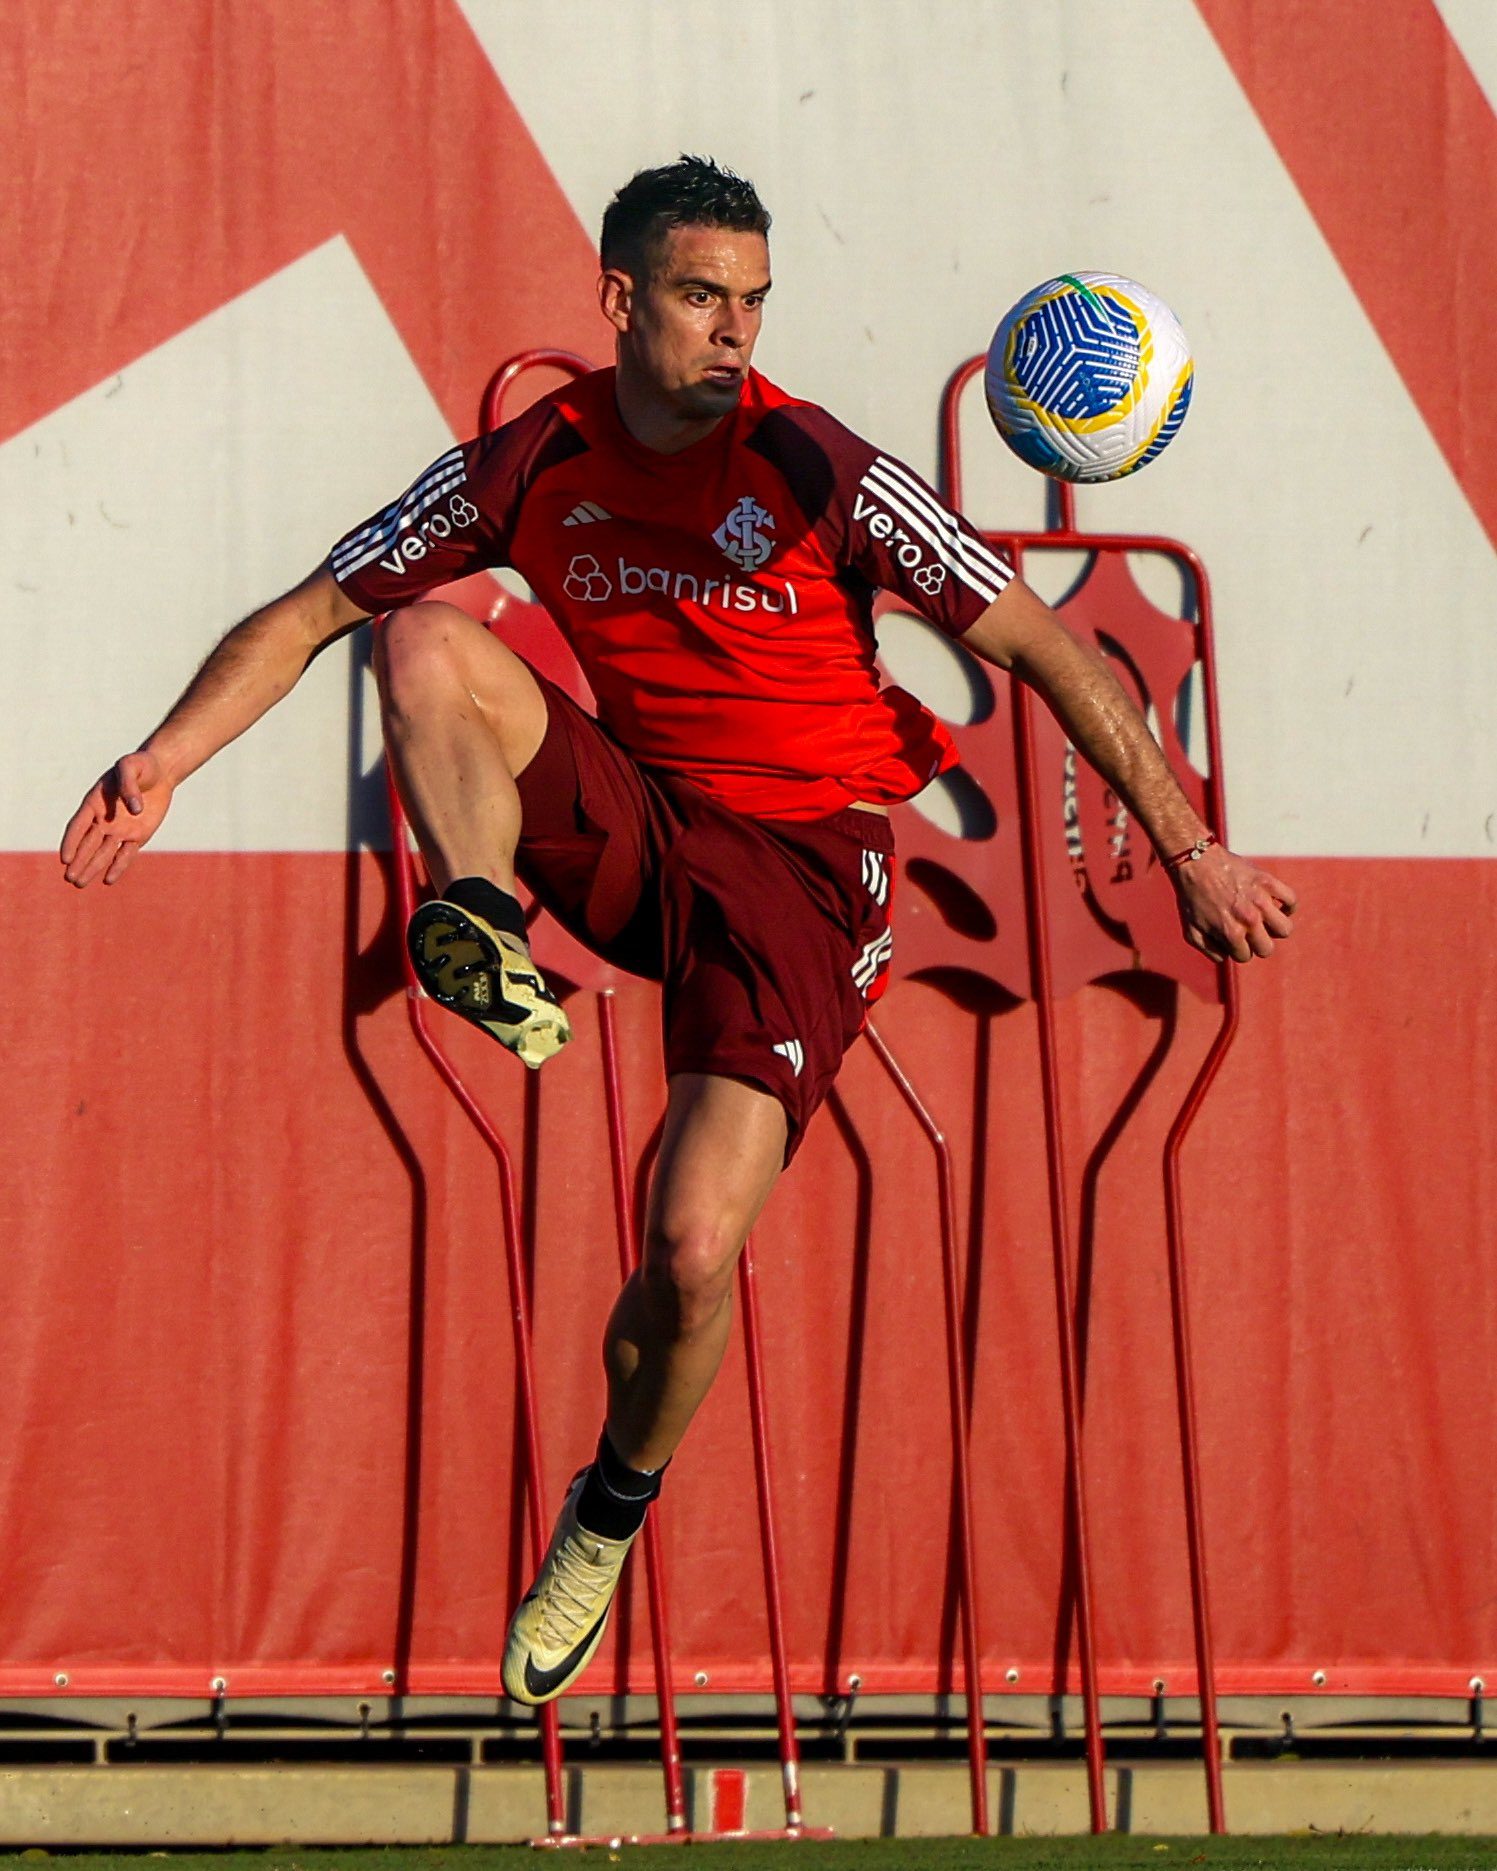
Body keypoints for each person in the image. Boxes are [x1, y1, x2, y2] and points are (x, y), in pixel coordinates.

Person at [61, 155, 1295, 1706]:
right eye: (702, 297)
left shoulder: (814, 465)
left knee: (691, 1251)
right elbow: (311, 612)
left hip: (800, 876)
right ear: (620, 300)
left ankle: (605, 1513)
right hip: (640, 824)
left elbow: (1042, 642)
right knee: (426, 633)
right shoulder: (530, 460)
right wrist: (162, 761)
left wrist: (1187, 846)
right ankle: (481, 918)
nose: (732, 332)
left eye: (754, 302)